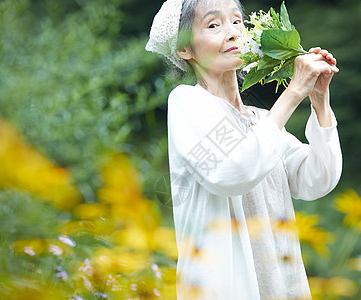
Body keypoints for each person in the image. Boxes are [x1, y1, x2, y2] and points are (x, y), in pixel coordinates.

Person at [146, 0, 342, 298]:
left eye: (238, 22)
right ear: (184, 49)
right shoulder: (187, 102)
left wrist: (318, 99)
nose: (233, 32)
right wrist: (294, 92)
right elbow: (233, 172)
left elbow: (316, 179)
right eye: (214, 25)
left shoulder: (261, 120)